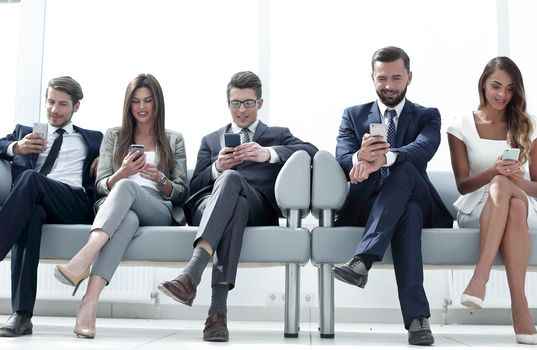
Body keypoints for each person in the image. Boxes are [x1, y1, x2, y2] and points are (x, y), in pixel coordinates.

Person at [157, 71, 317, 342]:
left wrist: (268, 154)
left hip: (259, 206)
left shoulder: (277, 134)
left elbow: (311, 151)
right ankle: (217, 315)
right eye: (235, 103)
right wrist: (217, 167)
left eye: (248, 103)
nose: (241, 109)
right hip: (210, 203)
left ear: (260, 103)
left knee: (237, 188)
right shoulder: (211, 140)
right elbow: (192, 188)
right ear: (227, 103)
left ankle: (192, 273)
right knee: (234, 202)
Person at [331, 46, 453, 346]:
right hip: (369, 204)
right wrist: (359, 157)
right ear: (372, 77)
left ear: (409, 77)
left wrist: (384, 159)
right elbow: (342, 156)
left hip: (419, 197)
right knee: (407, 212)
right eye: (382, 78)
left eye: (396, 78)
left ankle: (363, 259)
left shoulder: (427, 115)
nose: (389, 85)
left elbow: (424, 148)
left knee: (406, 168)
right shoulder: (353, 114)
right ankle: (418, 321)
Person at [53, 73, 189, 338]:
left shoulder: (174, 139)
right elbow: (101, 186)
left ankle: (85, 256)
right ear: (128, 104)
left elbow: (182, 193)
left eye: (148, 100)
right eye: (136, 101)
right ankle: (88, 304)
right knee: (127, 217)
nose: (142, 107)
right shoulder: (114, 136)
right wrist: (122, 172)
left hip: (157, 209)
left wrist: (160, 179)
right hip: (120, 210)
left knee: (129, 188)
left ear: (157, 103)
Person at [0, 76, 103, 337]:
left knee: (31, 179)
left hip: (73, 201)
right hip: (34, 201)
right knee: (31, 213)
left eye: (62, 104)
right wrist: (16, 147)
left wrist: (106, 158)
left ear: (76, 106)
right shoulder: (25, 131)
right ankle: (21, 316)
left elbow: (120, 154)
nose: (54, 110)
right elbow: (2, 145)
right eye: (50, 102)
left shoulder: (92, 138)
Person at [447, 56, 537, 345]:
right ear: (483, 84)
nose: (502, 95)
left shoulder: (527, 126)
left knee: (514, 198)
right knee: (510, 200)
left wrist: (517, 182)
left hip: (521, 196)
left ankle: (479, 279)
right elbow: (462, 186)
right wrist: (492, 172)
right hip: (477, 204)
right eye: (496, 86)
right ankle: (520, 311)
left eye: (510, 89)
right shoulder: (460, 126)